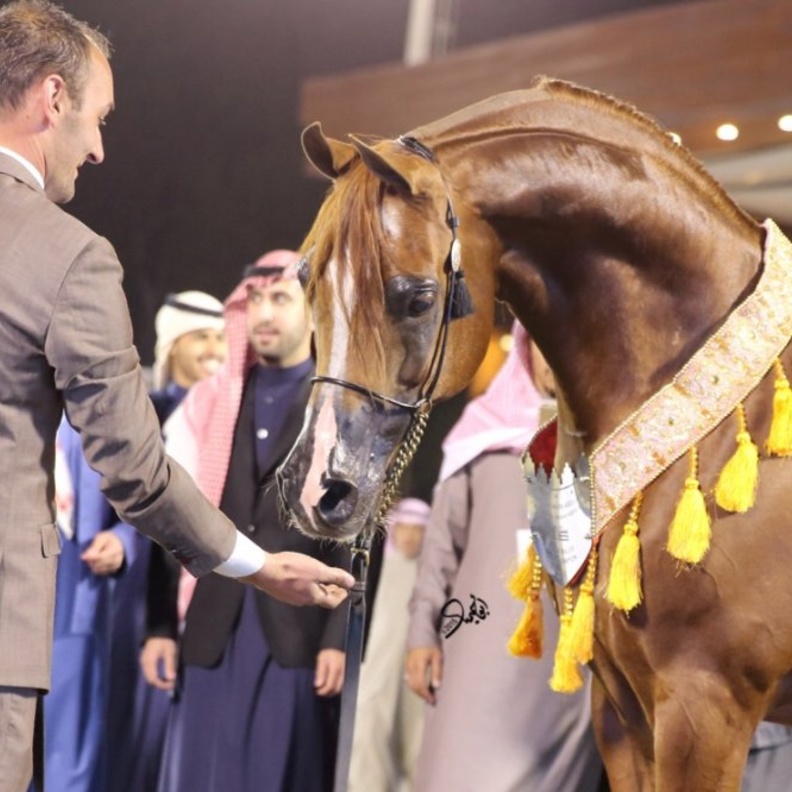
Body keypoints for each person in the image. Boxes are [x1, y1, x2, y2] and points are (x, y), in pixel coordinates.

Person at [0, 4, 351, 788]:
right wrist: (259, 567)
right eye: (97, 118)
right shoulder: (65, 255)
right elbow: (137, 472)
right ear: (52, 98)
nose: (97, 148)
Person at [141, 250, 349, 792]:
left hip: (295, 633)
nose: (264, 313)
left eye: (280, 298)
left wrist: (338, 638)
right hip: (210, 623)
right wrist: (160, 627)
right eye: (254, 300)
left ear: (313, 310)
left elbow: (353, 535)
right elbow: (171, 517)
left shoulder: (340, 406)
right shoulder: (211, 402)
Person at [405, 321, 605, 792]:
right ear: (524, 348)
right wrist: (421, 633)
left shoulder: (608, 438)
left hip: (565, 663)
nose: (555, 354)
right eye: (543, 342)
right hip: (476, 645)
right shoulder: (481, 431)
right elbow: (441, 548)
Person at [105, 290, 228, 792]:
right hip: (136, 590)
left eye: (221, 338)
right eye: (201, 337)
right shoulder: (146, 413)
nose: (214, 350)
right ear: (173, 344)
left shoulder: (228, 418)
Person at [348, 497, 430, 792]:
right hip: (377, 660)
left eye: (418, 530)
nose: (409, 536)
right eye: (403, 528)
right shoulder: (377, 569)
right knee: (371, 720)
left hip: (416, 664)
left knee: (416, 727)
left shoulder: (430, 576)